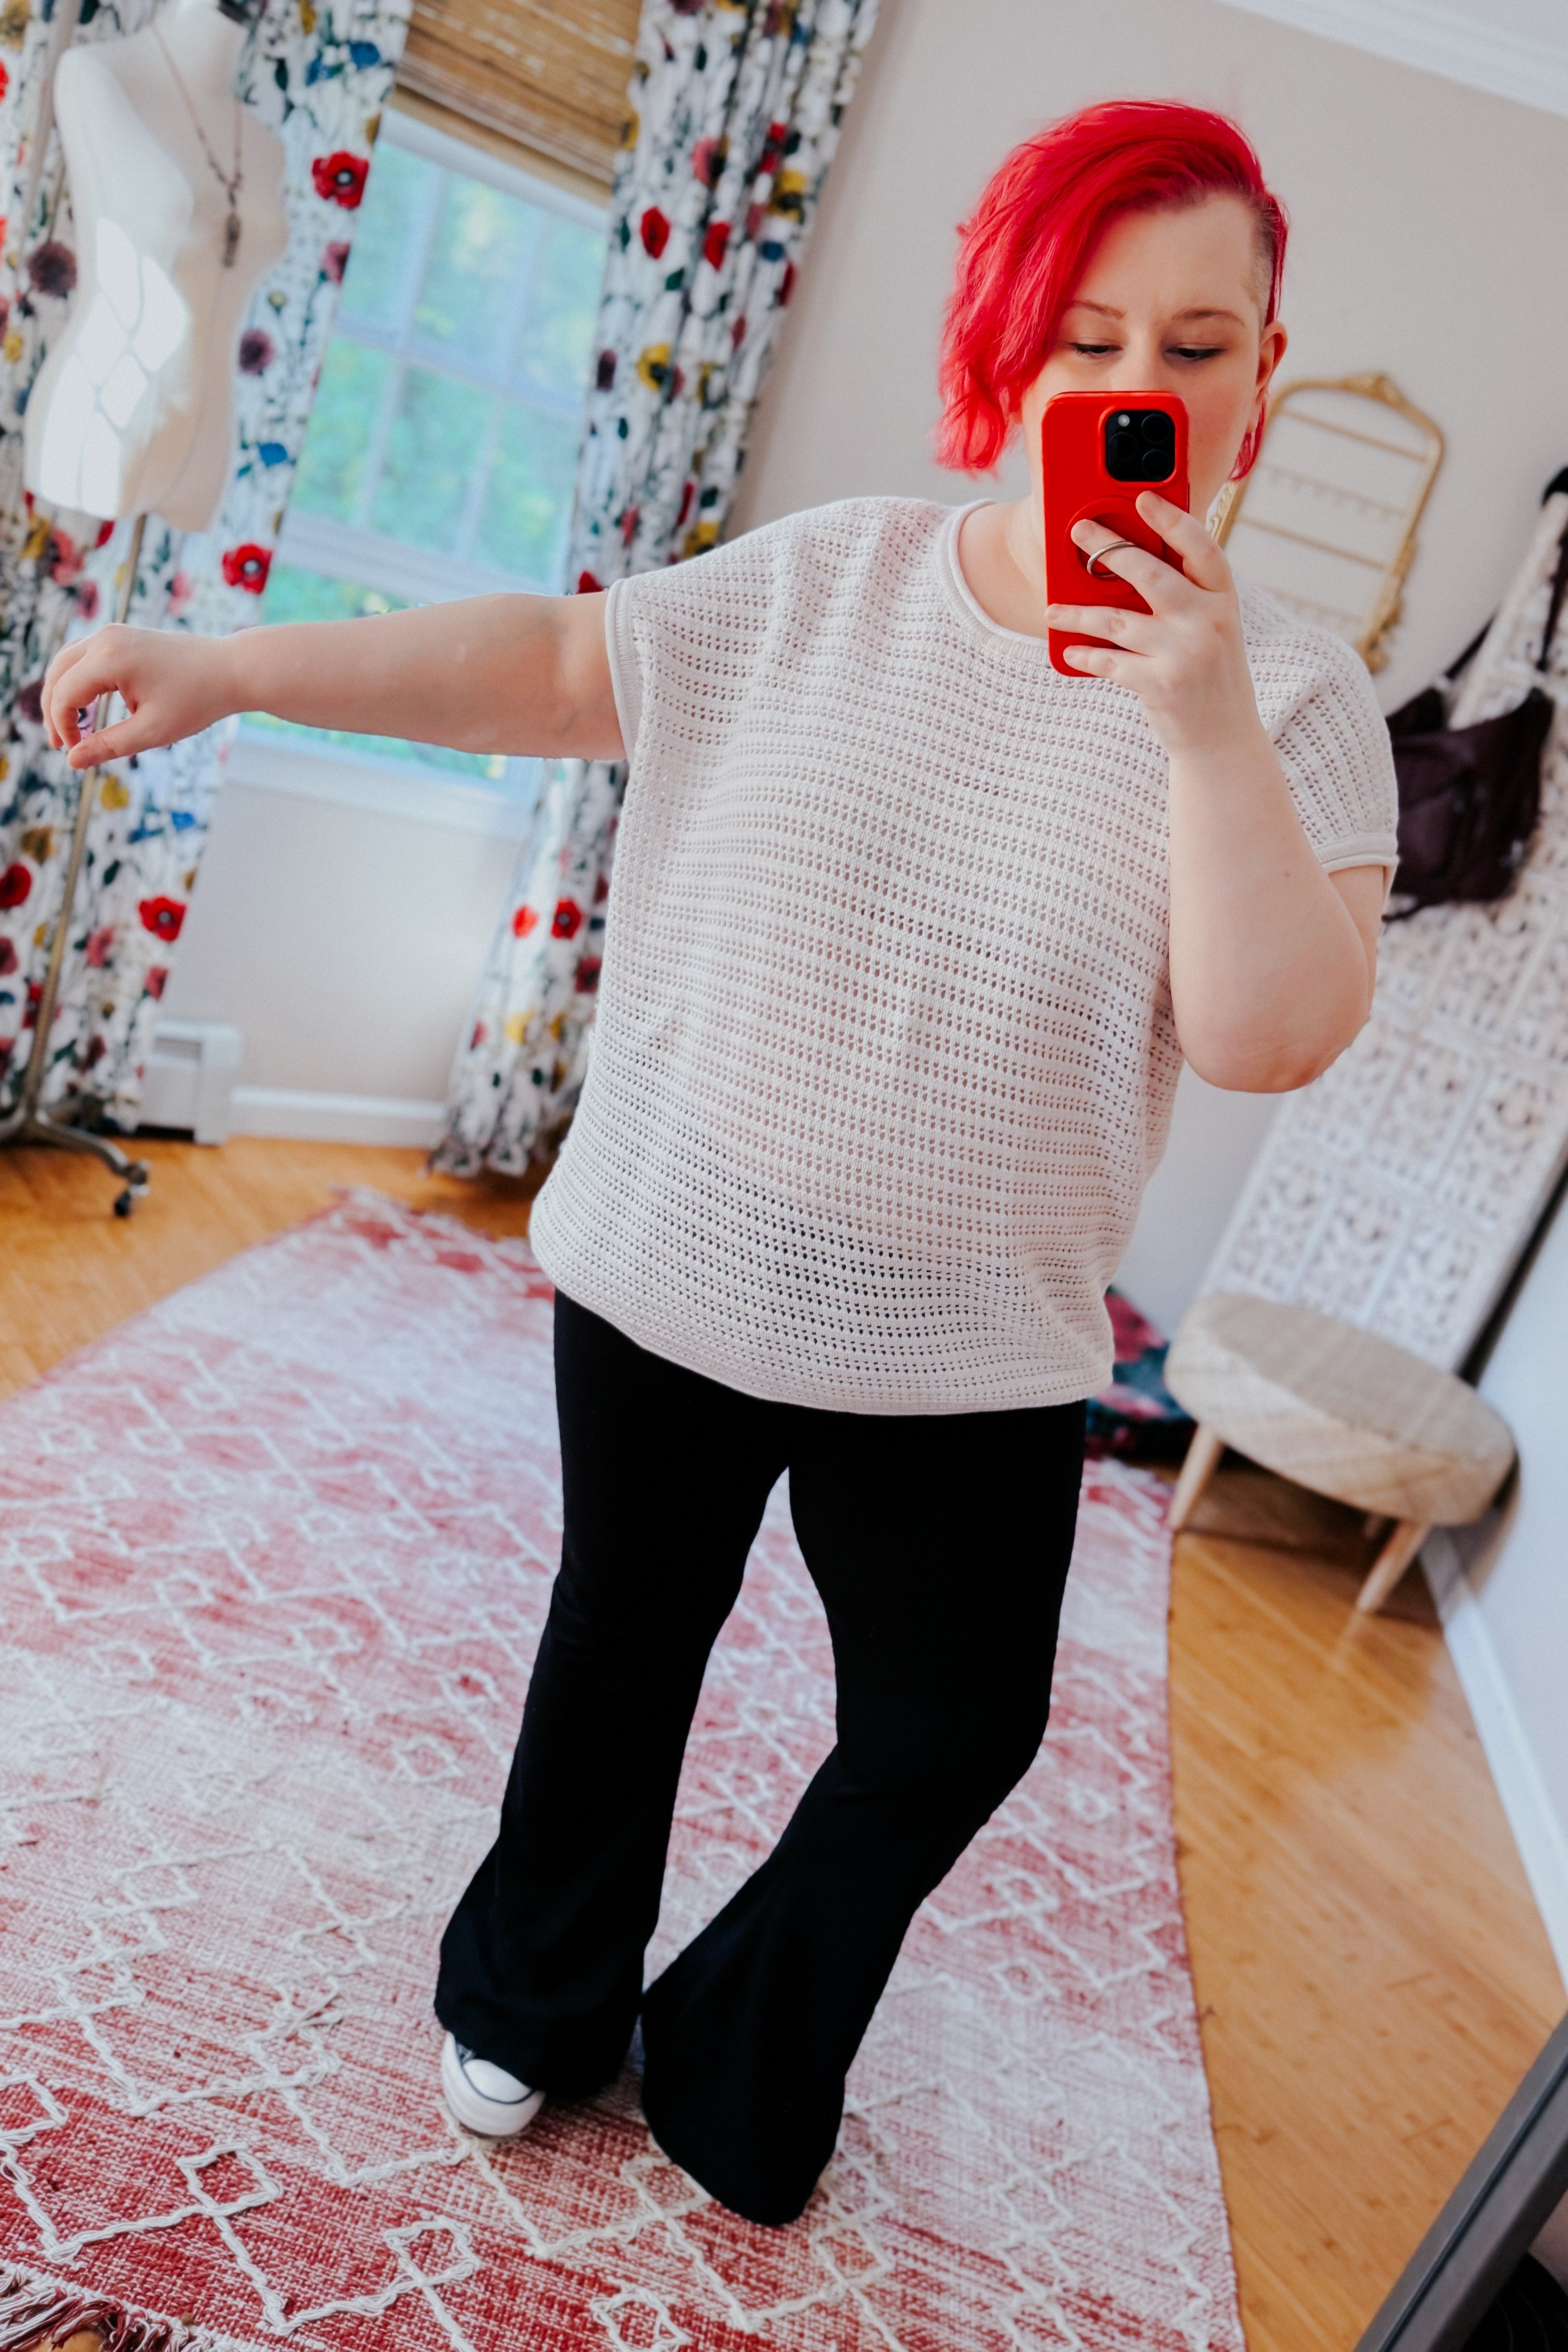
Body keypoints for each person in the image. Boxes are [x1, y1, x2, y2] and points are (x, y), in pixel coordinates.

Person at [42, 100, 1397, 2231]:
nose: (1136, 387)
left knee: (952, 1727)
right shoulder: (836, 577)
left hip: (975, 1329)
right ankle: (533, 1993)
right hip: (693, 1236)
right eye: (1086, 337)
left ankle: (744, 2042)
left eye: (1195, 346)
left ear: (1265, 378)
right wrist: (232, 668)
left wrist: (1202, 720)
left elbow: (1268, 1030)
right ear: (1008, 350)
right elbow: (548, 661)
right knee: (628, 1636)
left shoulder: (1298, 702)